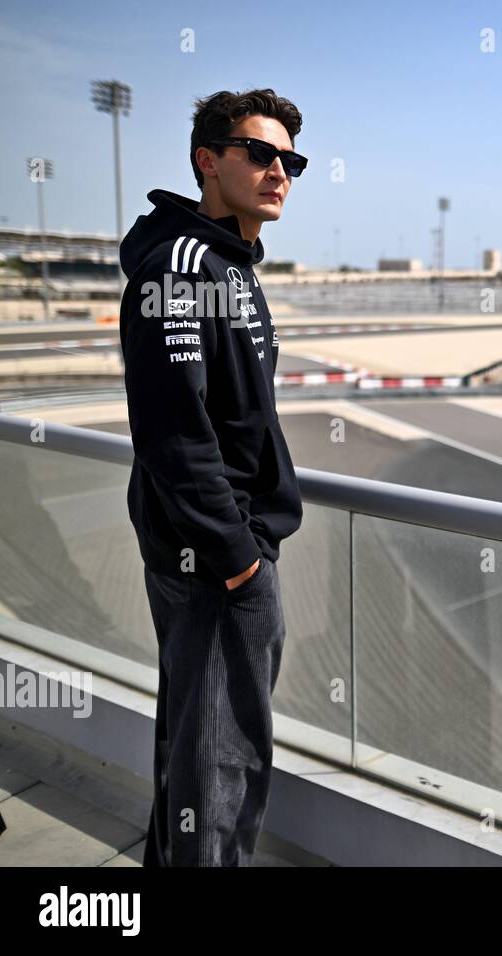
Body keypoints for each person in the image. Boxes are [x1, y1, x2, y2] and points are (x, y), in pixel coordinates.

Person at [117, 88, 306, 866]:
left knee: (200, 758)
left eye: (290, 161)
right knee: (223, 772)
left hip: (217, 555)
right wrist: (239, 560)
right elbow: (176, 434)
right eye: (259, 154)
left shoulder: (228, 264)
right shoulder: (186, 265)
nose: (280, 172)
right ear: (208, 161)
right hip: (216, 563)